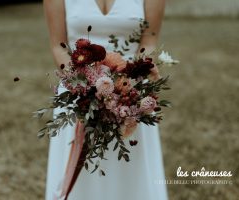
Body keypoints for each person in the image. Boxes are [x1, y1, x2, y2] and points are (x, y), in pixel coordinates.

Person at [43, 0, 167, 199]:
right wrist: (86, 87)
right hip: (79, 96)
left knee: (132, 180)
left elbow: (148, 42)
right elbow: (59, 46)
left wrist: (128, 80)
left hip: (130, 97)